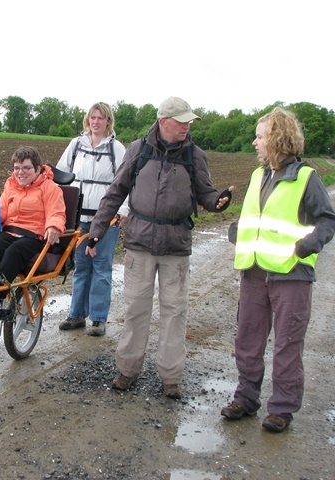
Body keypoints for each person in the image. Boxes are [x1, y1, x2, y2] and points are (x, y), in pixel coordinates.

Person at [85, 96, 234, 399]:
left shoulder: (195, 155)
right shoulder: (138, 150)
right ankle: (128, 370)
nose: (187, 127)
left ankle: (171, 377)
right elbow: (116, 192)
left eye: (189, 122)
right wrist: (97, 230)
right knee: (136, 309)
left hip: (176, 246)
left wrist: (217, 202)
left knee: (174, 312)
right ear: (164, 122)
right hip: (140, 243)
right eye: (182, 121)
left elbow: (205, 194)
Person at [221, 107, 335, 433]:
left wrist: (307, 246)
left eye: (260, 136)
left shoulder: (306, 177)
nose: (254, 142)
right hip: (254, 272)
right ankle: (245, 399)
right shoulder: (259, 176)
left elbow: (328, 220)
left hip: (292, 275)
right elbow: (257, 219)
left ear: (276, 138)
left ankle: (281, 410)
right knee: (247, 338)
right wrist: (237, 231)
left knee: (287, 343)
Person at [0, 146, 66, 317]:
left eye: (26, 168)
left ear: (38, 169)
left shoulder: (50, 188)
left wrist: (53, 226)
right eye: (17, 168)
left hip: (35, 236)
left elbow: (56, 213)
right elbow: (2, 208)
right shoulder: (11, 184)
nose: (20, 173)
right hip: (10, 231)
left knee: (14, 251)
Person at [55, 102, 128, 336]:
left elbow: (127, 182)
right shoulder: (76, 145)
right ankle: (76, 315)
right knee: (81, 266)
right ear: (88, 120)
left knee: (102, 267)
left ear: (108, 121)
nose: (96, 122)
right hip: (78, 218)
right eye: (93, 118)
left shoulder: (117, 149)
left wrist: (122, 211)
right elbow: (60, 176)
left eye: (101, 118)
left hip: (105, 219)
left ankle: (98, 319)